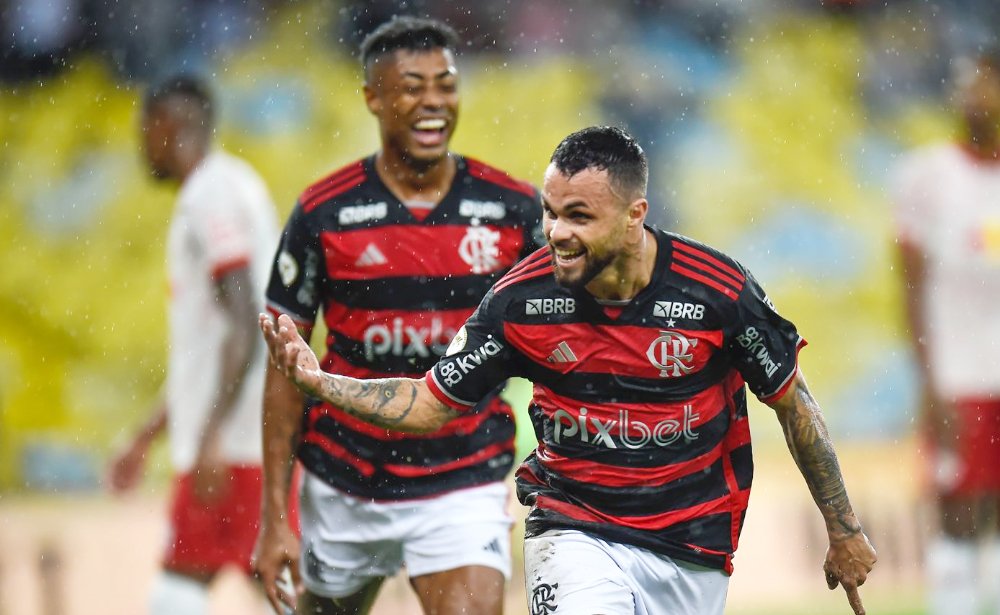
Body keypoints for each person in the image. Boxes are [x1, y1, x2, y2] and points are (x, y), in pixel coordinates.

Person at [260, 125, 878, 615]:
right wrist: (321, 384)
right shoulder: (519, 302)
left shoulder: (717, 291)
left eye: (579, 216)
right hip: (573, 527)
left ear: (635, 216)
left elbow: (794, 404)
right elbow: (429, 402)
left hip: (693, 544)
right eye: (552, 212)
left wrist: (844, 528)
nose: (556, 232)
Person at [251, 16, 543, 615]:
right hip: (345, 481)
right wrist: (271, 519)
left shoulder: (512, 211)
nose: (433, 101)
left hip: (462, 480)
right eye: (412, 86)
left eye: (445, 84)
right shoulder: (322, 213)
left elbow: (562, 342)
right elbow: (284, 371)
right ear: (374, 98)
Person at [107, 75, 279, 615]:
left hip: (231, 447)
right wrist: (148, 434)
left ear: (168, 127)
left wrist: (207, 437)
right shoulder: (238, 183)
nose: (143, 145)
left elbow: (244, 321)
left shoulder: (210, 196)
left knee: (178, 597)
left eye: (145, 130)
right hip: (249, 438)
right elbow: (210, 347)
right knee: (278, 589)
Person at [893, 47, 1000, 615]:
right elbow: (910, 286)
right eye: (965, 84)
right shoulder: (927, 175)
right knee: (956, 517)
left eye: (985, 84)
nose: (973, 96)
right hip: (957, 374)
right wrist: (928, 378)